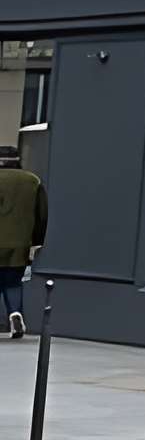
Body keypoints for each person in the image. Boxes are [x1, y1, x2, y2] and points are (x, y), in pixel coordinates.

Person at [0, 144, 46, 339]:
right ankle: (15, 313)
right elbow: (42, 215)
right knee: (13, 282)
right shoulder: (33, 181)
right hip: (20, 243)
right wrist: (36, 242)